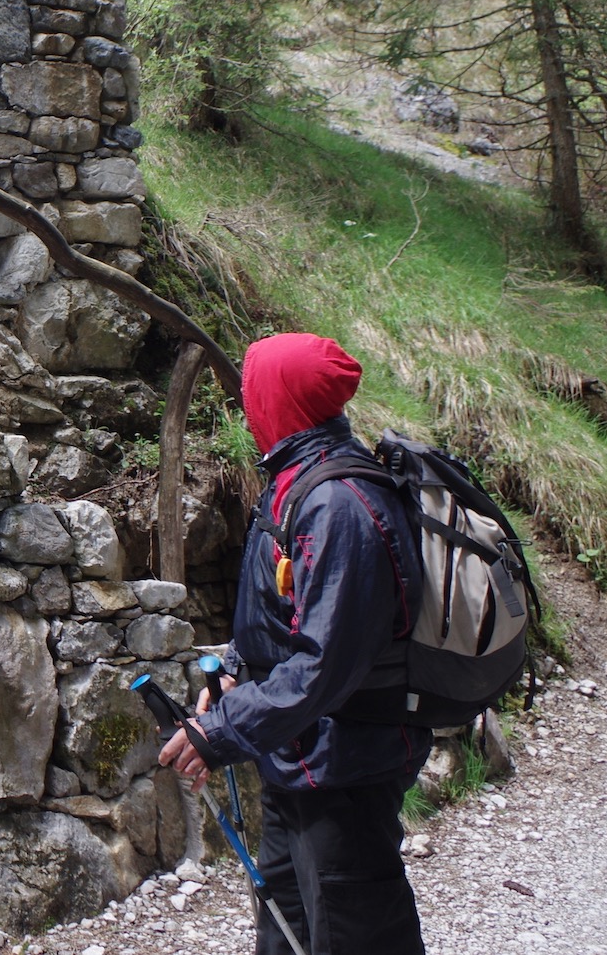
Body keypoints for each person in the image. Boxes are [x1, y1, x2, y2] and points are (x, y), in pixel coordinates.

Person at [157, 332, 430, 955]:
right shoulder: (295, 483)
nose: (248, 407)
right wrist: (233, 670)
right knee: (287, 929)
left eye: (254, 393)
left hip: (345, 767)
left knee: (354, 933)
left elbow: (324, 663)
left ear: (278, 401)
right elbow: (281, 624)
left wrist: (221, 730)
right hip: (298, 758)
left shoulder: (339, 504)